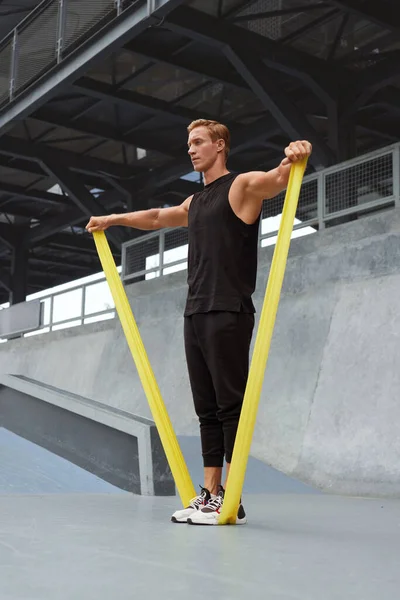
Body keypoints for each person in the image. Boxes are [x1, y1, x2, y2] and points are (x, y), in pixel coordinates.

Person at [86, 119, 312, 526]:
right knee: (206, 408)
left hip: (228, 309)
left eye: (197, 142)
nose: (190, 150)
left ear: (219, 146)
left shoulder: (241, 186)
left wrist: (294, 155)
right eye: (188, 144)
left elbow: (278, 178)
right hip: (195, 311)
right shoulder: (194, 202)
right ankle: (210, 493)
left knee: (230, 406)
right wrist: (113, 219)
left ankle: (232, 495)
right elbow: (157, 217)